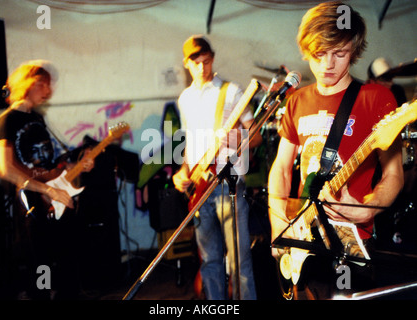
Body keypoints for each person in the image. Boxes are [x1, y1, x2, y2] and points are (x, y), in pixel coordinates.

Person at [268, 1, 404, 299]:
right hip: (303, 236)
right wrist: (278, 220)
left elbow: (394, 174)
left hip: (350, 243)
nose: (328, 64)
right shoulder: (295, 101)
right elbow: (280, 168)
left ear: (353, 51)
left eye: (339, 54)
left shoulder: (376, 98)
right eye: (319, 55)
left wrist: (364, 207)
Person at [0, 60, 94, 300]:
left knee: (68, 259)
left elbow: (52, 163)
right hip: (32, 200)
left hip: (54, 196)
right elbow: (6, 168)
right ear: (27, 84)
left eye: (49, 86)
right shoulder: (5, 121)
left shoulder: (38, 119)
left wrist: (79, 164)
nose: (48, 91)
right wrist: (46, 190)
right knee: (41, 264)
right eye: (42, 84)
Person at [172, 35, 262, 300]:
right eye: (196, 62)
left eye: (207, 61)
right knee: (209, 261)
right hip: (200, 190)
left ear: (213, 59)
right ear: (186, 64)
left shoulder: (232, 91)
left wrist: (236, 138)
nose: (202, 68)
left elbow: (255, 136)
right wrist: (183, 172)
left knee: (239, 261)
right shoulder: (185, 99)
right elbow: (191, 145)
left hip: (228, 184)